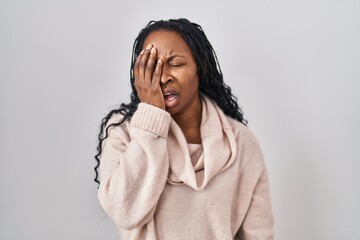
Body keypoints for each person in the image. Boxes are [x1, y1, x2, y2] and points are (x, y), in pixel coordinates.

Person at [94, 18, 274, 240]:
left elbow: (260, 235)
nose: (163, 77)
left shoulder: (241, 142)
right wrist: (150, 115)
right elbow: (126, 212)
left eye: (175, 64)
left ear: (202, 66)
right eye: (151, 67)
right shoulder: (122, 134)